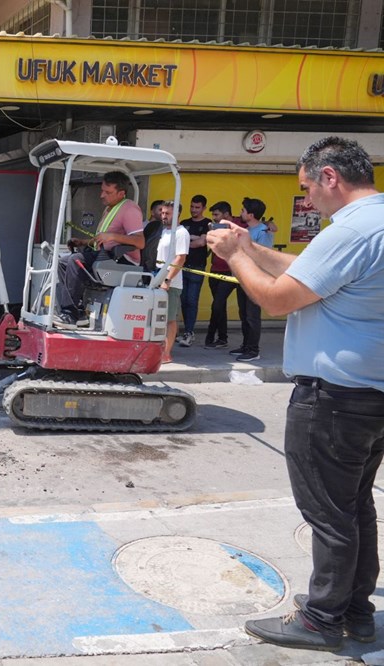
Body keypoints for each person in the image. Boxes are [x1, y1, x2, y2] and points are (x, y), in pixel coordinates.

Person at [208, 136, 384, 652]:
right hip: (370, 395)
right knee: (353, 509)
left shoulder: (351, 229)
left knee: (329, 515)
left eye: (308, 188)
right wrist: (255, 247)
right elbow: (310, 272)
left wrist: (236, 257)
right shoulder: (375, 222)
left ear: (330, 176)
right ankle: (356, 611)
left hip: (333, 400)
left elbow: (278, 299)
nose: (308, 200)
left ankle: (322, 619)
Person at [55, 172, 144, 329]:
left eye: (108, 192)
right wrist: (83, 242)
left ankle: (70, 314)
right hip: (105, 258)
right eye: (102, 190)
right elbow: (103, 239)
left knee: (76, 260)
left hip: (120, 263)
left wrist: (112, 236)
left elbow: (140, 242)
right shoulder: (111, 208)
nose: (102, 195)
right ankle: (79, 312)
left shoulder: (130, 210)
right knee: (63, 262)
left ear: (121, 193)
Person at [229, 197, 273, 362]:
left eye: (243, 210)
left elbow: (263, 257)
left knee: (252, 316)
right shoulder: (246, 230)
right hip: (242, 278)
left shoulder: (263, 232)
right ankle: (246, 345)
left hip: (255, 279)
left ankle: (253, 350)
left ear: (251, 214)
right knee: (244, 314)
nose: (241, 212)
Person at [202, 201, 245, 349]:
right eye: (213, 215)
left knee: (217, 304)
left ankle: (211, 336)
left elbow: (259, 224)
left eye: (216, 215)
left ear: (226, 215)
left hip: (231, 272)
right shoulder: (213, 227)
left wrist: (268, 225)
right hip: (215, 271)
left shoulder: (240, 224)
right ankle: (222, 338)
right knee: (220, 306)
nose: (214, 218)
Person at [154, 202, 189, 364]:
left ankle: (166, 353)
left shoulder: (181, 233)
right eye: (162, 212)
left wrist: (168, 280)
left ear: (177, 214)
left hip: (171, 283)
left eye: (167, 213)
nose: (164, 215)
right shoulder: (164, 231)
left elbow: (180, 258)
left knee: (170, 318)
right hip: (157, 278)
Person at [175, 194, 211, 347]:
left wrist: (187, 240)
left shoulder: (207, 223)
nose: (193, 210)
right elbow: (178, 242)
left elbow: (202, 243)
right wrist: (193, 238)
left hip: (197, 267)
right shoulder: (184, 223)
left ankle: (190, 332)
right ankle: (185, 331)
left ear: (203, 208)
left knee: (192, 300)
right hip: (182, 266)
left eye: (197, 207)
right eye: (192, 206)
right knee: (182, 300)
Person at [140, 199, 165, 273]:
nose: (162, 213)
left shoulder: (165, 228)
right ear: (152, 212)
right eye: (160, 210)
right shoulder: (141, 226)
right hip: (143, 263)